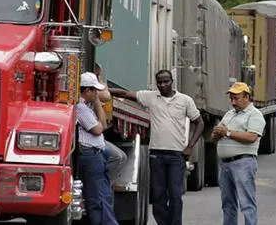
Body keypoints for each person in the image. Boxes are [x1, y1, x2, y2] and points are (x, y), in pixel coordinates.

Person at [109, 69, 204, 225]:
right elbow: (126, 94)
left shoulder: (185, 100)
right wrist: (104, 89)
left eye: (166, 81)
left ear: (172, 81)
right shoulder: (151, 97)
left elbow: (199, 122)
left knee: (175, 195)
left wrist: (190, 145)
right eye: (159, 82)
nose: (162, 85)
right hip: (157, 154)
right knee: (158, 195)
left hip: (176, 155)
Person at [211, 82, 266, 225]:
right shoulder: (229, 114)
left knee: (247, 202)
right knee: (228, 203)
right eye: (231, 99)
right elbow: (218, 134)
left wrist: (227, 133)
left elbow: (252, 137)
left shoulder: (254, 114)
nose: (233, 102)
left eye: (236, 98)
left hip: (243, 162)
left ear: (246, 97)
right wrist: (216, 133)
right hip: (225, 164)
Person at [76, 72, 119, 225]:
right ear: (87, 91)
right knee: (96, 198)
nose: (97, 94)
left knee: (103, 195)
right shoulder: (80, 108)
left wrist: (97, 102)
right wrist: (97, 102)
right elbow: (98, 129)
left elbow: (104, 125)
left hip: (96, 154)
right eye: (94, 91)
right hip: (89, 154)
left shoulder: (88, 107)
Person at [94, 63, 128, 186]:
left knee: (120, 157)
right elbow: (101, 126)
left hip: (96, 140)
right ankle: (100, 186)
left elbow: (106, 94)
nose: (100, 80)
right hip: (89, 143)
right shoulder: (84, 102)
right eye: (97, 76)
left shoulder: (93, 96)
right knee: (117, 157)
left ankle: (105, 186)